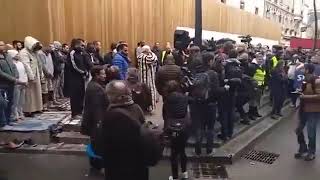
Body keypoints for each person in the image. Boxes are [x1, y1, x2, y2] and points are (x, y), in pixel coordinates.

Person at [97, 80, 148, 180]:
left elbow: (102, 144)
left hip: (117, 168)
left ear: (113, 97)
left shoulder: (110, 116)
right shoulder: (137, 108)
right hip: (139, 164)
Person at [81, 65, 109, 171]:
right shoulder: (95, 88)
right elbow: (96, 107)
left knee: (95, 142)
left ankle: (96, 163)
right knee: (97, 142)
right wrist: (99, 123)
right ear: (97, 75)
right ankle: (97, 164)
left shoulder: (95, 85)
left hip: (94, 121)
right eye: (103, 74)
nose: (105, 75)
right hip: (96, 122)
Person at [162, 80, 190, 180]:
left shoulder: (166, 100)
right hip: (184, 127)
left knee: (173, 153)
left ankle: (175, 176)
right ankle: (184, 172)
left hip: (172, 128)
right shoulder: (184, 98)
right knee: (182, 151)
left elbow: (165, 115)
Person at [295, 63, 320, 161]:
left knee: (311, 132)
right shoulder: (305, 80)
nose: (301, 70)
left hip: (313, 110)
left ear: (307, 70)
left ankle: (311, 152)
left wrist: (305, 96)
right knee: (298, 129)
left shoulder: (317, 81)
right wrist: (300, 92)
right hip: (303, 108)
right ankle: (303, 148)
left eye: (303, 69)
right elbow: (305, 92)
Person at [0, 42, 26, 127]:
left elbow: (13, 67)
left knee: (11, 102)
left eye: (3, 44)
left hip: (11, 83)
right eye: (1, 45)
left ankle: (8, 120)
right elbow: (1, 73)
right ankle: (3, 122)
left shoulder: (7, 56)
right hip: (3, 84)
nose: (3, 46)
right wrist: (14, 79)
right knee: (4, 103)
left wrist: (16, 76)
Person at [65, 39, 92, 119]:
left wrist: (86, 72)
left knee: (81, 94)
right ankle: (75, 113)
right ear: (76, 45)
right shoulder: (72, 53)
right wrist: (83, 72)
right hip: (73, 78)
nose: (83, 47)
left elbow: (85, 64)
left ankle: (80, 111)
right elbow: (74, 66)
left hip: (81, 77)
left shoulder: (82, 53)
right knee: (75, 95)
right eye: (82, 45)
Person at [19, 36, 44, 117]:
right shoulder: (24, 52)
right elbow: (26, 65)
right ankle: (29, 110)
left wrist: (41, 74)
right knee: (29, 93)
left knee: (37, 92)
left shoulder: (34, 52)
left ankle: (37, 108)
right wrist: (31, 76)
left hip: (35, 72)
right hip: (29, 75)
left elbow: (38, 63)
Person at [8, 50, 28, 121]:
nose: (18, 56)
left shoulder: (20, 63)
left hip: (23, 83)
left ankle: (20, 113)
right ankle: (15, 115)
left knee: (21, 100)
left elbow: (25, 72)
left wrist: (25, 81)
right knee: (15, 101)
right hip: (16, 84)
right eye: (16, 55)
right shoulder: (11, 63)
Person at [137, 45, 158, 111]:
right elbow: (154, 59)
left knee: (143, 93)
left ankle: (144, 107)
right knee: (151, 92)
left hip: (142, 78)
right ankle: (151, 107)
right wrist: (151, 52)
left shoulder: (140, 56)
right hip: (148, 79)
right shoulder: (145, 57)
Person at [247, 52, 266, 120]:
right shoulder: (252, 66)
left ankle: (255, 112)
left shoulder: (262, 66)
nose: (260, 60)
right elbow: (250, 77)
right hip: (254, 87)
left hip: (260, 86)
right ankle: (251, 114)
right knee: (252, 101)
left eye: (261, 59)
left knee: (257, 101)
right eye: (259, 59)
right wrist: (253, 86)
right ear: (256, 58)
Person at [38, 46, 55, 111]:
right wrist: (47, 73)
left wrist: (51, 72)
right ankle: (44, 105)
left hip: (50, 74)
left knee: (50, 89)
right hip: (44, 75)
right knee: (44, 90)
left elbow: (50, 64)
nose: (49, 53)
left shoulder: (49, 54)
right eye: (48, 52)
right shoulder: (40, 54)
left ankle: (49, 104)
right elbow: (43, 65)